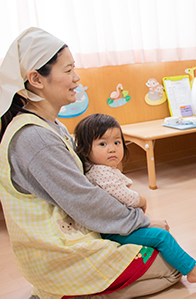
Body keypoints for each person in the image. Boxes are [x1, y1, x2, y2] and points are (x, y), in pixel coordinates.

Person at [0, 27, 181, 298]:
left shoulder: (50, 126)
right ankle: (70, 293)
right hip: (61, 252)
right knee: (173, 268)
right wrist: (139, 220)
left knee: (162, 242)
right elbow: (84, 199)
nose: (77, 77)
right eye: (68, 69)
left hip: (71, 235)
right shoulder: (35, 137)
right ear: (36, 79)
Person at [74, 113, 196, 283]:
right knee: (161, 236)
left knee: (159, 231)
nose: (112, 148)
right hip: (114, 231)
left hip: (118, 224)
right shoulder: (101, 172)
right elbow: (127, 197)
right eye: (102, 143)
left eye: (117, 142)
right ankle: (192, 271)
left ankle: (174, 262)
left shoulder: (101, 169)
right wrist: (142, 200)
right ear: (85, 149)